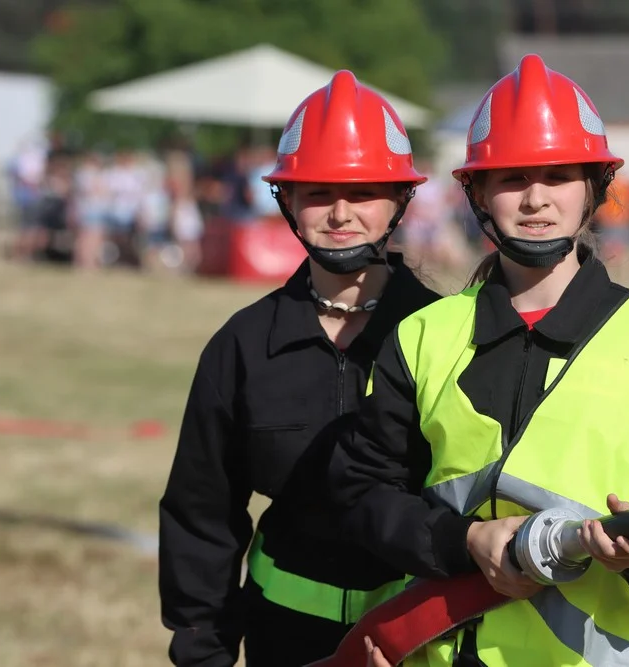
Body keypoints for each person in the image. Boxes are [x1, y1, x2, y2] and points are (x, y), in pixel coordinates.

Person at [331, 54, 629, 667]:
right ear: (478, 193)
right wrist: (463, 541)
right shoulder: (425, 337)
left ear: (594, 189)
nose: (536, 199)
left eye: (559, 175)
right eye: (512, 179)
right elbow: (362, 495)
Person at [158, 70, 439, 667]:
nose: (340, 213)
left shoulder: (449, 336)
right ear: (285, 201)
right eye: (315, 192)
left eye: (362, 192)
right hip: (281, 642)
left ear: (400, 199)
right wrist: (202, 653)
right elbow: (202, 513)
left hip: (425, 644)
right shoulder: (242, 345)